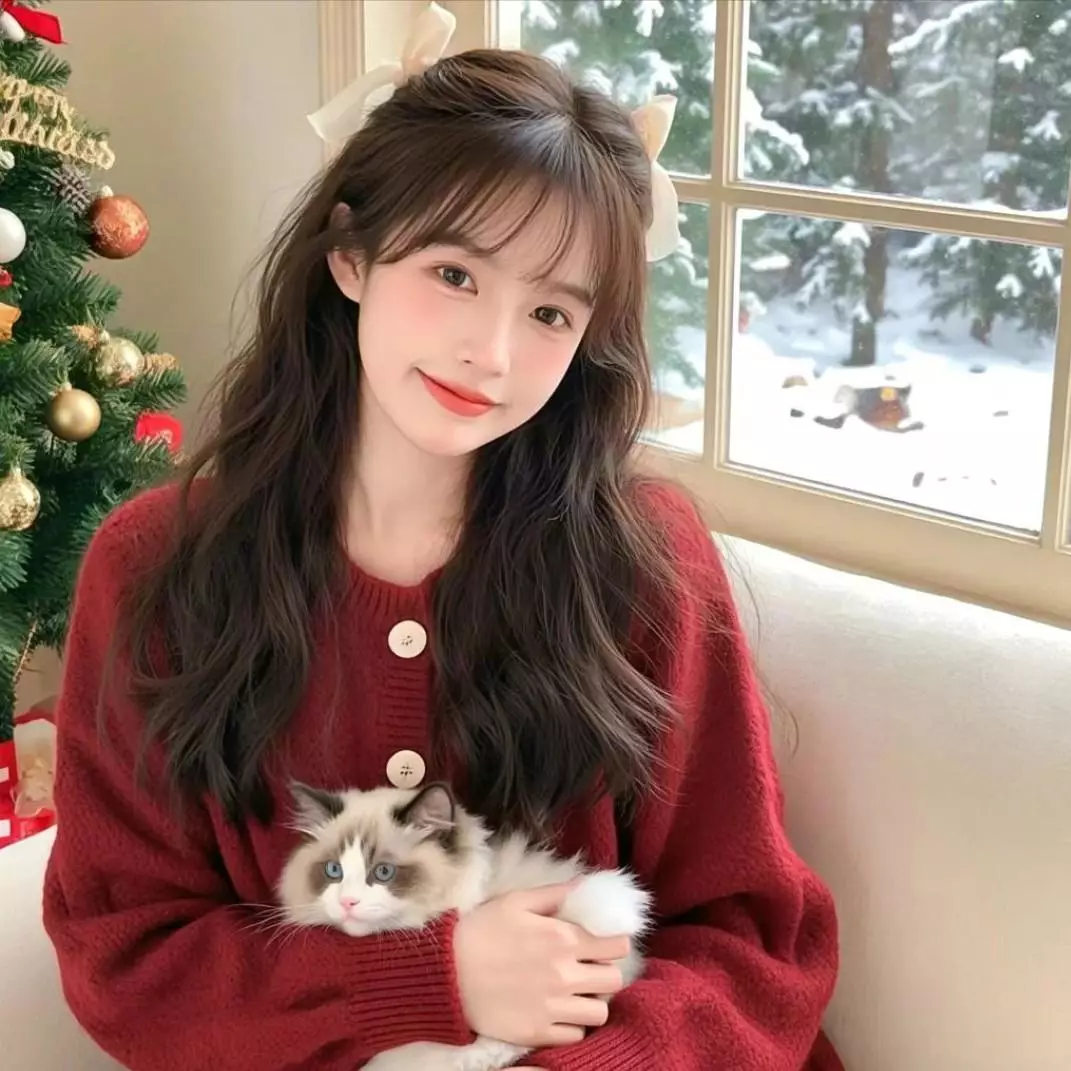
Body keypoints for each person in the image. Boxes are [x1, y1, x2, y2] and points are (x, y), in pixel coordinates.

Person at [42, 5, 844, 1069]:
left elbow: (754, 943)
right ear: (351, 255)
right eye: (455, 275)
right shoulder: (158, 568)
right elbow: (125, 957)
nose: (492, 353)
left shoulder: (640, 560)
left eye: (552, 313)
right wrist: (428, 974)